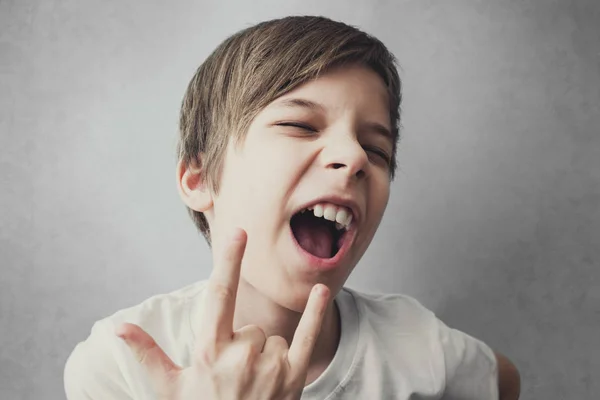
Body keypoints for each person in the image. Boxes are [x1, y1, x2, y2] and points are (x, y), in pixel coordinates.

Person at [64, 15, 521, 399]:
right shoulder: (124, 363)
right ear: (199, 179)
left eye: (376, 150)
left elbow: (504, 380)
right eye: (300, 125)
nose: (356, 157)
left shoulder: (418, 345)